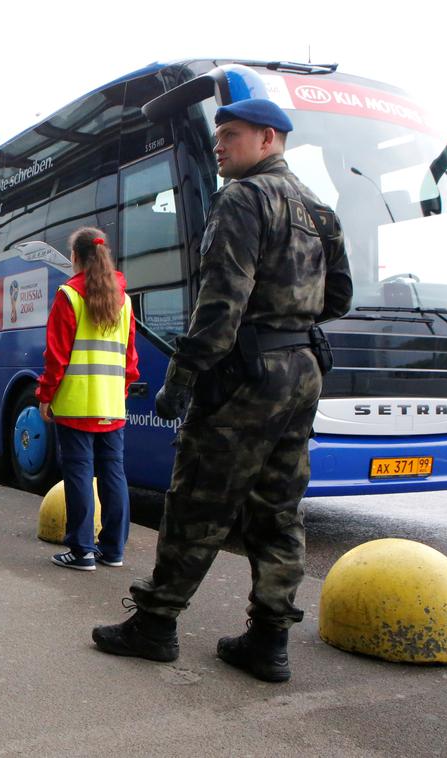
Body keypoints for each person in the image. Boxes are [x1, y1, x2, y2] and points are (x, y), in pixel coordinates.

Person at [91, 99, 352, 683]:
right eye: (218, 135)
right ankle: (269, 642)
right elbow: (339, 298)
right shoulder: (319, 208)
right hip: (302, 369)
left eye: (230, 135)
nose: (219, 145)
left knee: (198, 500)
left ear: (268, 138)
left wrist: (180, 382)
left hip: (246, 373)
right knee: (278, 507)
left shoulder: (243, 198)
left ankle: (155, 625)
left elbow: (220, 306)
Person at [36, 228, 138, 571]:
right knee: (114, 473)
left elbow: (56, 356)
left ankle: (81, 552)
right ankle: (113, 550)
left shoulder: (69, 296)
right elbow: (130, 360)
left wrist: (45, 396)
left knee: (79, 472)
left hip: (76, 404)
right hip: (112, 404)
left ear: (75, 258)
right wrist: (119, 394)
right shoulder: (123, 300)